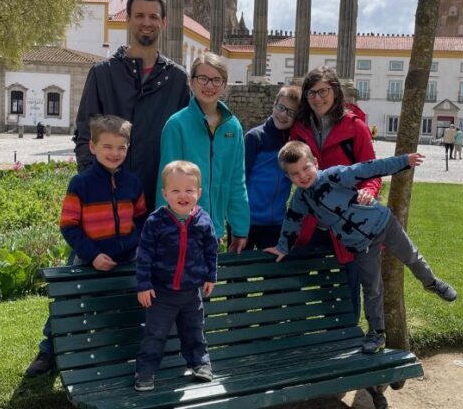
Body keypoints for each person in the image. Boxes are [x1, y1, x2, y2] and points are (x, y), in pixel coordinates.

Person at [265, 141, 457, 354]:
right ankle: (376, 332)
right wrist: (283, 247)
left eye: (305, 167)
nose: (302, 176)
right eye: (294, 174)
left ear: (316, 163)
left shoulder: (335, 176)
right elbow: (292, 221)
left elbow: (369, 168)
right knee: (372, 287)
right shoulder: (301, 199)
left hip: (383, 223)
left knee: (411, 256)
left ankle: (431, 282)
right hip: (360, 245)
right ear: (288, 177)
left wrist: (404, 162)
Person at [25, 115, 147, 377]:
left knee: (123, 305)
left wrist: (131, 244)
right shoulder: (81, 184)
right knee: (69, 305)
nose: (114, 153)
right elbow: (69, 225)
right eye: (107, 147)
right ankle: (49, 351)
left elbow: (140, 219)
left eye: (121, 148)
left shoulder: (133, 183)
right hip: (88, 258)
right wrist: (92, 255)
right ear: (93, 147)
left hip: (126, 259)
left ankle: (116, 351)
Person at [74, 0, 190, 210]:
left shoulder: (177, 79)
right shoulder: (103, 74)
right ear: (128, 19)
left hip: (160, 201)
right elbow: (85, 135)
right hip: (110, 197)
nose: (146, 22)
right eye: (139, 15)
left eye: (153, 16)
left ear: (163, 22)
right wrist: (95, 184)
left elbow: (187, 141)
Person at [289, 66, 376, 320]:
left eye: (323, 91)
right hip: (311, 224)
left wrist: (368, 191)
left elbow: (370, 170)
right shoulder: (299, 129)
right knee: (309, 292)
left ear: (336, 92)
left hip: (347, 222)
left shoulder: (356, 128)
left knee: (348, 292)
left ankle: (347, 341)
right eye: (311, 93)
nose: (317, 98)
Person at [134, 161, 218, 392]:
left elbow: (211, 251)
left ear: (198, 193)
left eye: (189, 190)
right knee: (155, 334)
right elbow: (144, 256)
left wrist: (210, 276)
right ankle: (145, 372)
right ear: (164, 194)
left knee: (194, 331)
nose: (183, 195)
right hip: (161, 293)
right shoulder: (156, 222)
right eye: (176, 190)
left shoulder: (203, 220)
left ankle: (200, 364)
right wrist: (143, 285)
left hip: (192, 293)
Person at [157, 52, 249, 252]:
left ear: (224, 85)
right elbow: (164, 183)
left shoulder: (233, 127)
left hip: (214, 231)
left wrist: (240, 228)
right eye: (203, 78)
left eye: (217, 80)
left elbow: (236, 181)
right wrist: (164, 230)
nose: (209, 85)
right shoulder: (176, 125)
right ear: (191, 82)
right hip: (181, 230)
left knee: (208, 283)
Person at [244, 85, 301, 250]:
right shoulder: (254, 137)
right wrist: (237, 218)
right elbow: (241, 179)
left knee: (274, 272)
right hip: (247, 220)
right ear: (274, 105)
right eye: (281, 107)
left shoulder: (292, 142)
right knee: (238, 273)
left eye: (291, 113)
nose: (283, 115)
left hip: (275, 222)